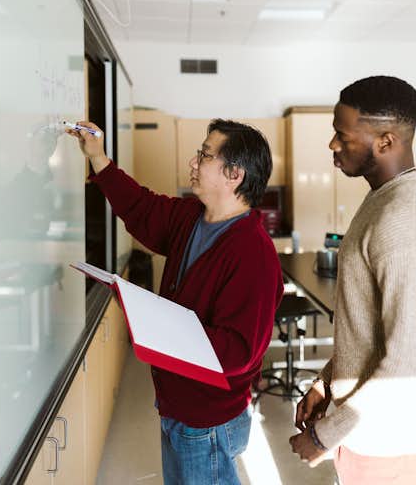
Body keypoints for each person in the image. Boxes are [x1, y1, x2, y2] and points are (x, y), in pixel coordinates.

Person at [68, 118, 283, 485]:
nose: (193, 163)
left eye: (204, 155)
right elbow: (141, 208)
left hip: (207, 421)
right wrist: (99, 159)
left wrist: (158, 325)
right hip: (177, 407)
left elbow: (239, 351)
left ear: (234, 174)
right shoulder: (191, 218)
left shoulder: (253, 253)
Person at [289, 76, 416, 484]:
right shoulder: (383, 200)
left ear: (386, 141)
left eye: (342, 135)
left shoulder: (406, 220)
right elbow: (369, 332)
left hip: (405, 446)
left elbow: (409, 361)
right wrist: (326, 383)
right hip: (376, 434)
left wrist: (324, 435)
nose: (333, 144)